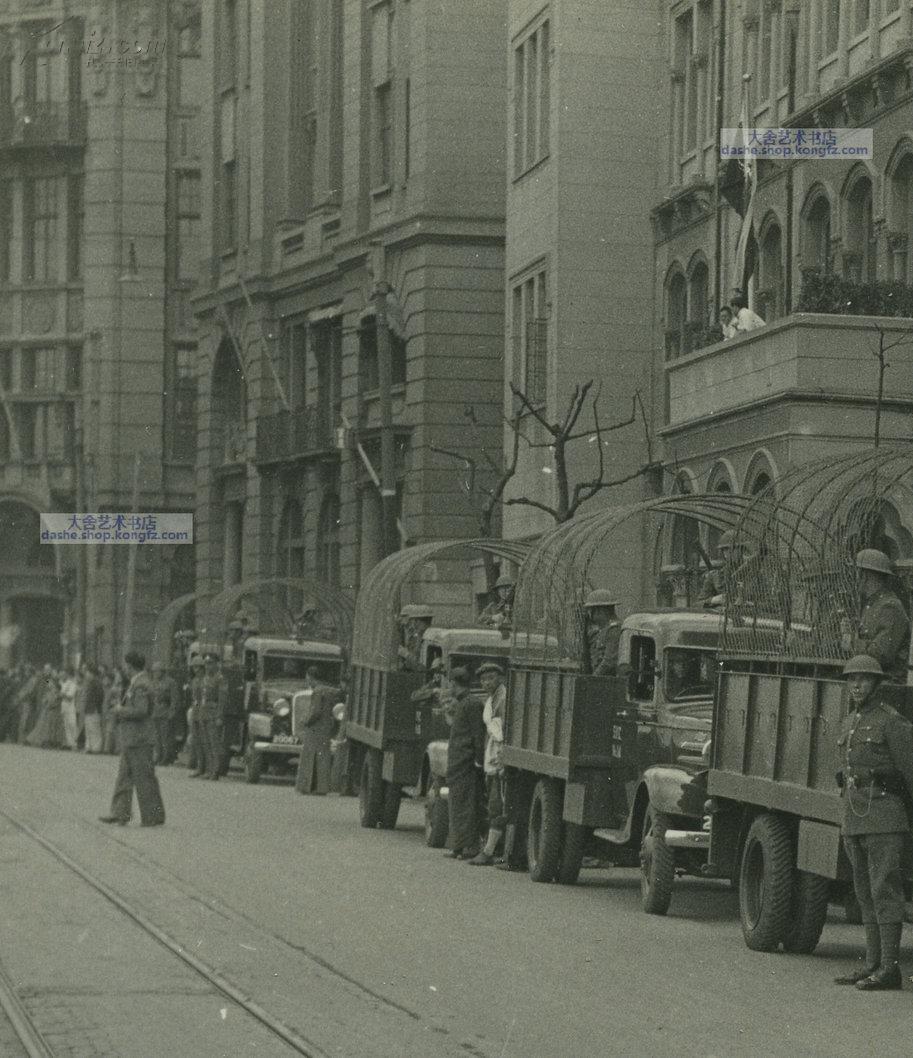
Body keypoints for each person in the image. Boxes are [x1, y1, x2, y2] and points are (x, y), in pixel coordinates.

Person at [834, 655, 913, 991]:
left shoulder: (890, 722)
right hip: (855, 815)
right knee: (864, 892)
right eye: (852, 680)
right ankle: (872, 963)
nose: (856, 686)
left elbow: (909, 771)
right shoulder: (849, 721)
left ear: (877, 684)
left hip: (884, 815)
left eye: (864, 680)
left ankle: (890, 969)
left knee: (884, 890)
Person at [98, 651, 165, 827]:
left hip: (139, 738)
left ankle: (153, 816)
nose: (125, 669)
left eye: (127, 665)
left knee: (144, 777)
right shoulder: (137, 683)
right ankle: (120, 813)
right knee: (124, 776)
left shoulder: (141, 684)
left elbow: (141, 711)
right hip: (132, 738)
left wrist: (121, 710)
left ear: (131, 666)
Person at [444, 667, 486, 860]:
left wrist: (478, 761)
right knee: (457, 805)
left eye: (450, 684)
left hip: (466, 763)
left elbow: (478, 736)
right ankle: (458, 846)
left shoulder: (471, 704)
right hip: (458, 763)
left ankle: (469, 846)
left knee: (467, 806)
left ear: (454, 683)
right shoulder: (463, 703)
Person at [467, 662, 508, 867]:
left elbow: (500, 732)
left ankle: (489, 851)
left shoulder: (503, 698)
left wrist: (501, 758)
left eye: (491, 678)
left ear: (499, 678)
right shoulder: (491, 699)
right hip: (490, 756)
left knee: (496, 805)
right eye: (483, 679)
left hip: (498, 756)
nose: (487, 683)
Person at [852, 549, 910, 685]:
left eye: (857, 574)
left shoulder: (890, 607)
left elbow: (881, 655)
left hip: (887, 683)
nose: (855, 579)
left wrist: (852, 643)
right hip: (871, 680)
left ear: (865, 576)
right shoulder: (872, 604)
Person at [295, 679, 341, 795]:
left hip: (315, 729)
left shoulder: (317, 692)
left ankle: (308, 787)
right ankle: (322, 788)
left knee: (311, 758)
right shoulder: (329, 691)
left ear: (310, 678)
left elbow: (315, 711)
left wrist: (305, 721)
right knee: (323, 758)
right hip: (326, 728)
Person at [198, 653, 228, 780]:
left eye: (210, 663)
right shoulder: (205, 678)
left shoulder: (220, 679)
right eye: (205, 663)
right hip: (204, 712)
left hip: (214, 713)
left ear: (216, 664)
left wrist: (219, 716)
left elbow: (222, 699)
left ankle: (215, 771)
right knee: (206, 742)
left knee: (214, 743)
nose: (207, 666)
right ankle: (209, 769)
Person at [583, 591, 622, 676]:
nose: (591, 616)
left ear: (600, 610)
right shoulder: (604, 630)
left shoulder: (614, 630)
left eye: (591, 611)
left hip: (608, 681)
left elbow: (609, 662)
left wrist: (594, 678)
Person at [150, 661, 178, 765]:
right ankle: (159, 756)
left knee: (166, 736)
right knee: (157, 737)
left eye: (157, 671)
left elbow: (174, 699)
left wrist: (172, 711)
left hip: (165, 710)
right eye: (153, 671)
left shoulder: (170, 682)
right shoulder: (153, 682)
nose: (155, 673)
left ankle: (167, 757)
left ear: (162, 671)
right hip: (155, 711)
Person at [397, 605, 433, 672]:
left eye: (415, 621)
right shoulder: (420, 636)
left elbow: (419, 665)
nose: (414, 625)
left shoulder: (426, 638)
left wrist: (406, 654)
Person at [82, 662, 105, 753]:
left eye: (87, 672)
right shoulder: (90, 682)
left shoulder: (97, 682)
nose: (86, 674)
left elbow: (100, 695)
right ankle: (89, 746)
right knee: (88, 727)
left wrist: (96, 705)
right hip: (89, 708)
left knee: (94, 728)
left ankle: (96, 747)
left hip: (94, 708)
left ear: (92, 673)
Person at [59, 666, 80, 750]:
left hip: (70, 706)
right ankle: (69, 743)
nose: (63, 675)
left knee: (72, 724)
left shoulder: (73, 683)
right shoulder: (63, 683)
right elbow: (50, 683)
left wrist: (62, 694)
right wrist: (46, 679)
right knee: (66, 724)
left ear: (68, 674)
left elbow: (70, 696)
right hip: (64, 705)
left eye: (65, 674)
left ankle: (75, 743)